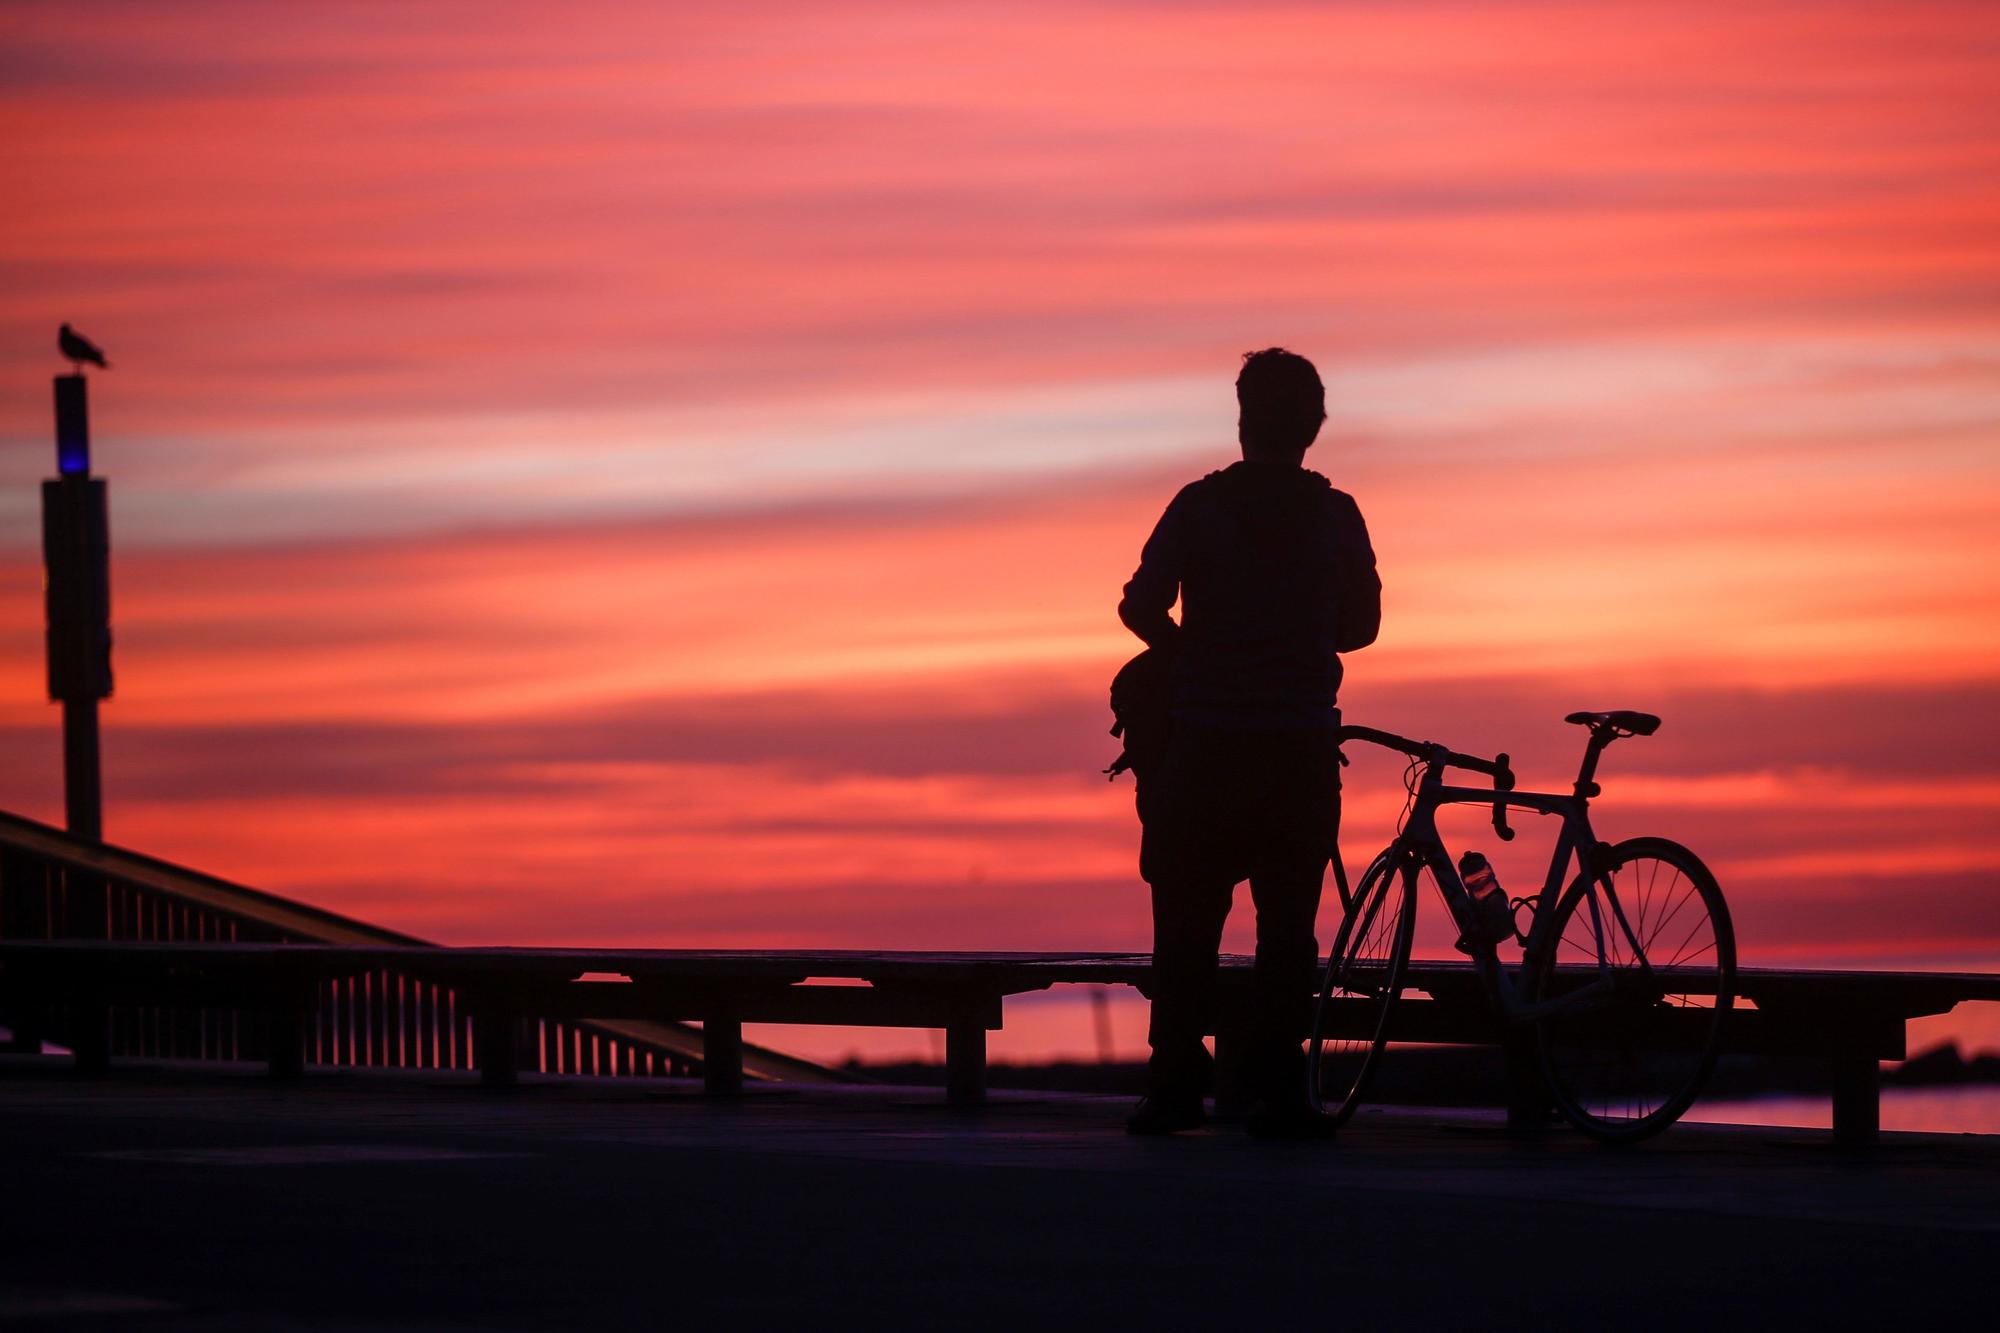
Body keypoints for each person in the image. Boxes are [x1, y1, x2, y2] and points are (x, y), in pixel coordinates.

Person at [1118, 348, 1380, 1138]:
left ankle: (1172, 1087)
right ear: (1313, 428)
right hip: (1296, 754)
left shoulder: (1199, 507)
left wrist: (1188, 652)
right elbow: (1362, 628)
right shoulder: (1337, 517)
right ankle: (1280, 1090)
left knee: (1187, 923)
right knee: (1287, 930)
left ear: (1241, 419)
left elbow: (1138, 605)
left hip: (1203, 752)